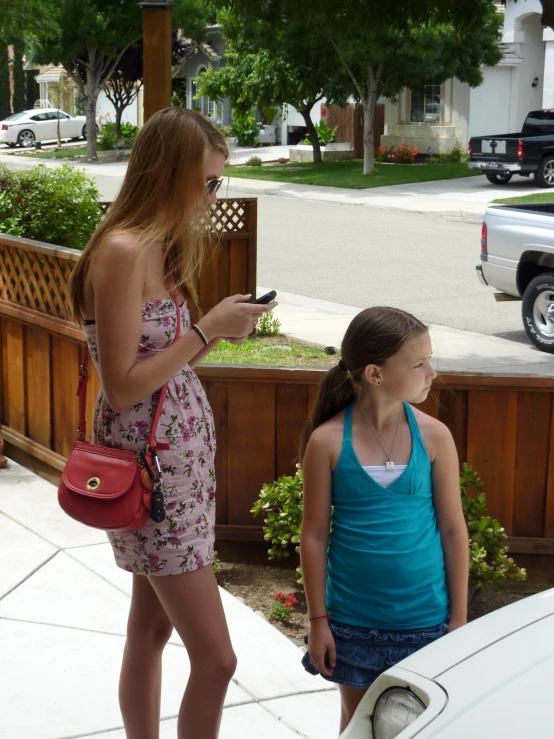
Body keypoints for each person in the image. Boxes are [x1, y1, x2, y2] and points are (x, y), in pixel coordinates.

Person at [67, 108, 276, 739]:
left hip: (180, 469)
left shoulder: (159, 245)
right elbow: (126, 385)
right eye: (207, 182)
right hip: (155, 477)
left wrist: (217, 328)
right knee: (218, 659)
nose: (213, 196)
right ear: (170, 173)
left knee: (150, 628)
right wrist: (207, 328)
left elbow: (165, 362)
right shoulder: (124, 252)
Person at [299, 307, 468, 733]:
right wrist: (318, 622)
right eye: (418, 363)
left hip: (426, 622)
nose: (432, 372)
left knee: (418, 729)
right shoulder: (327, 442)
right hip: (353, 624)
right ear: (375, 374)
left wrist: (459, 620)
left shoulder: (434, 436)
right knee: (358, 726)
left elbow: (452, 529)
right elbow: (315, 536)